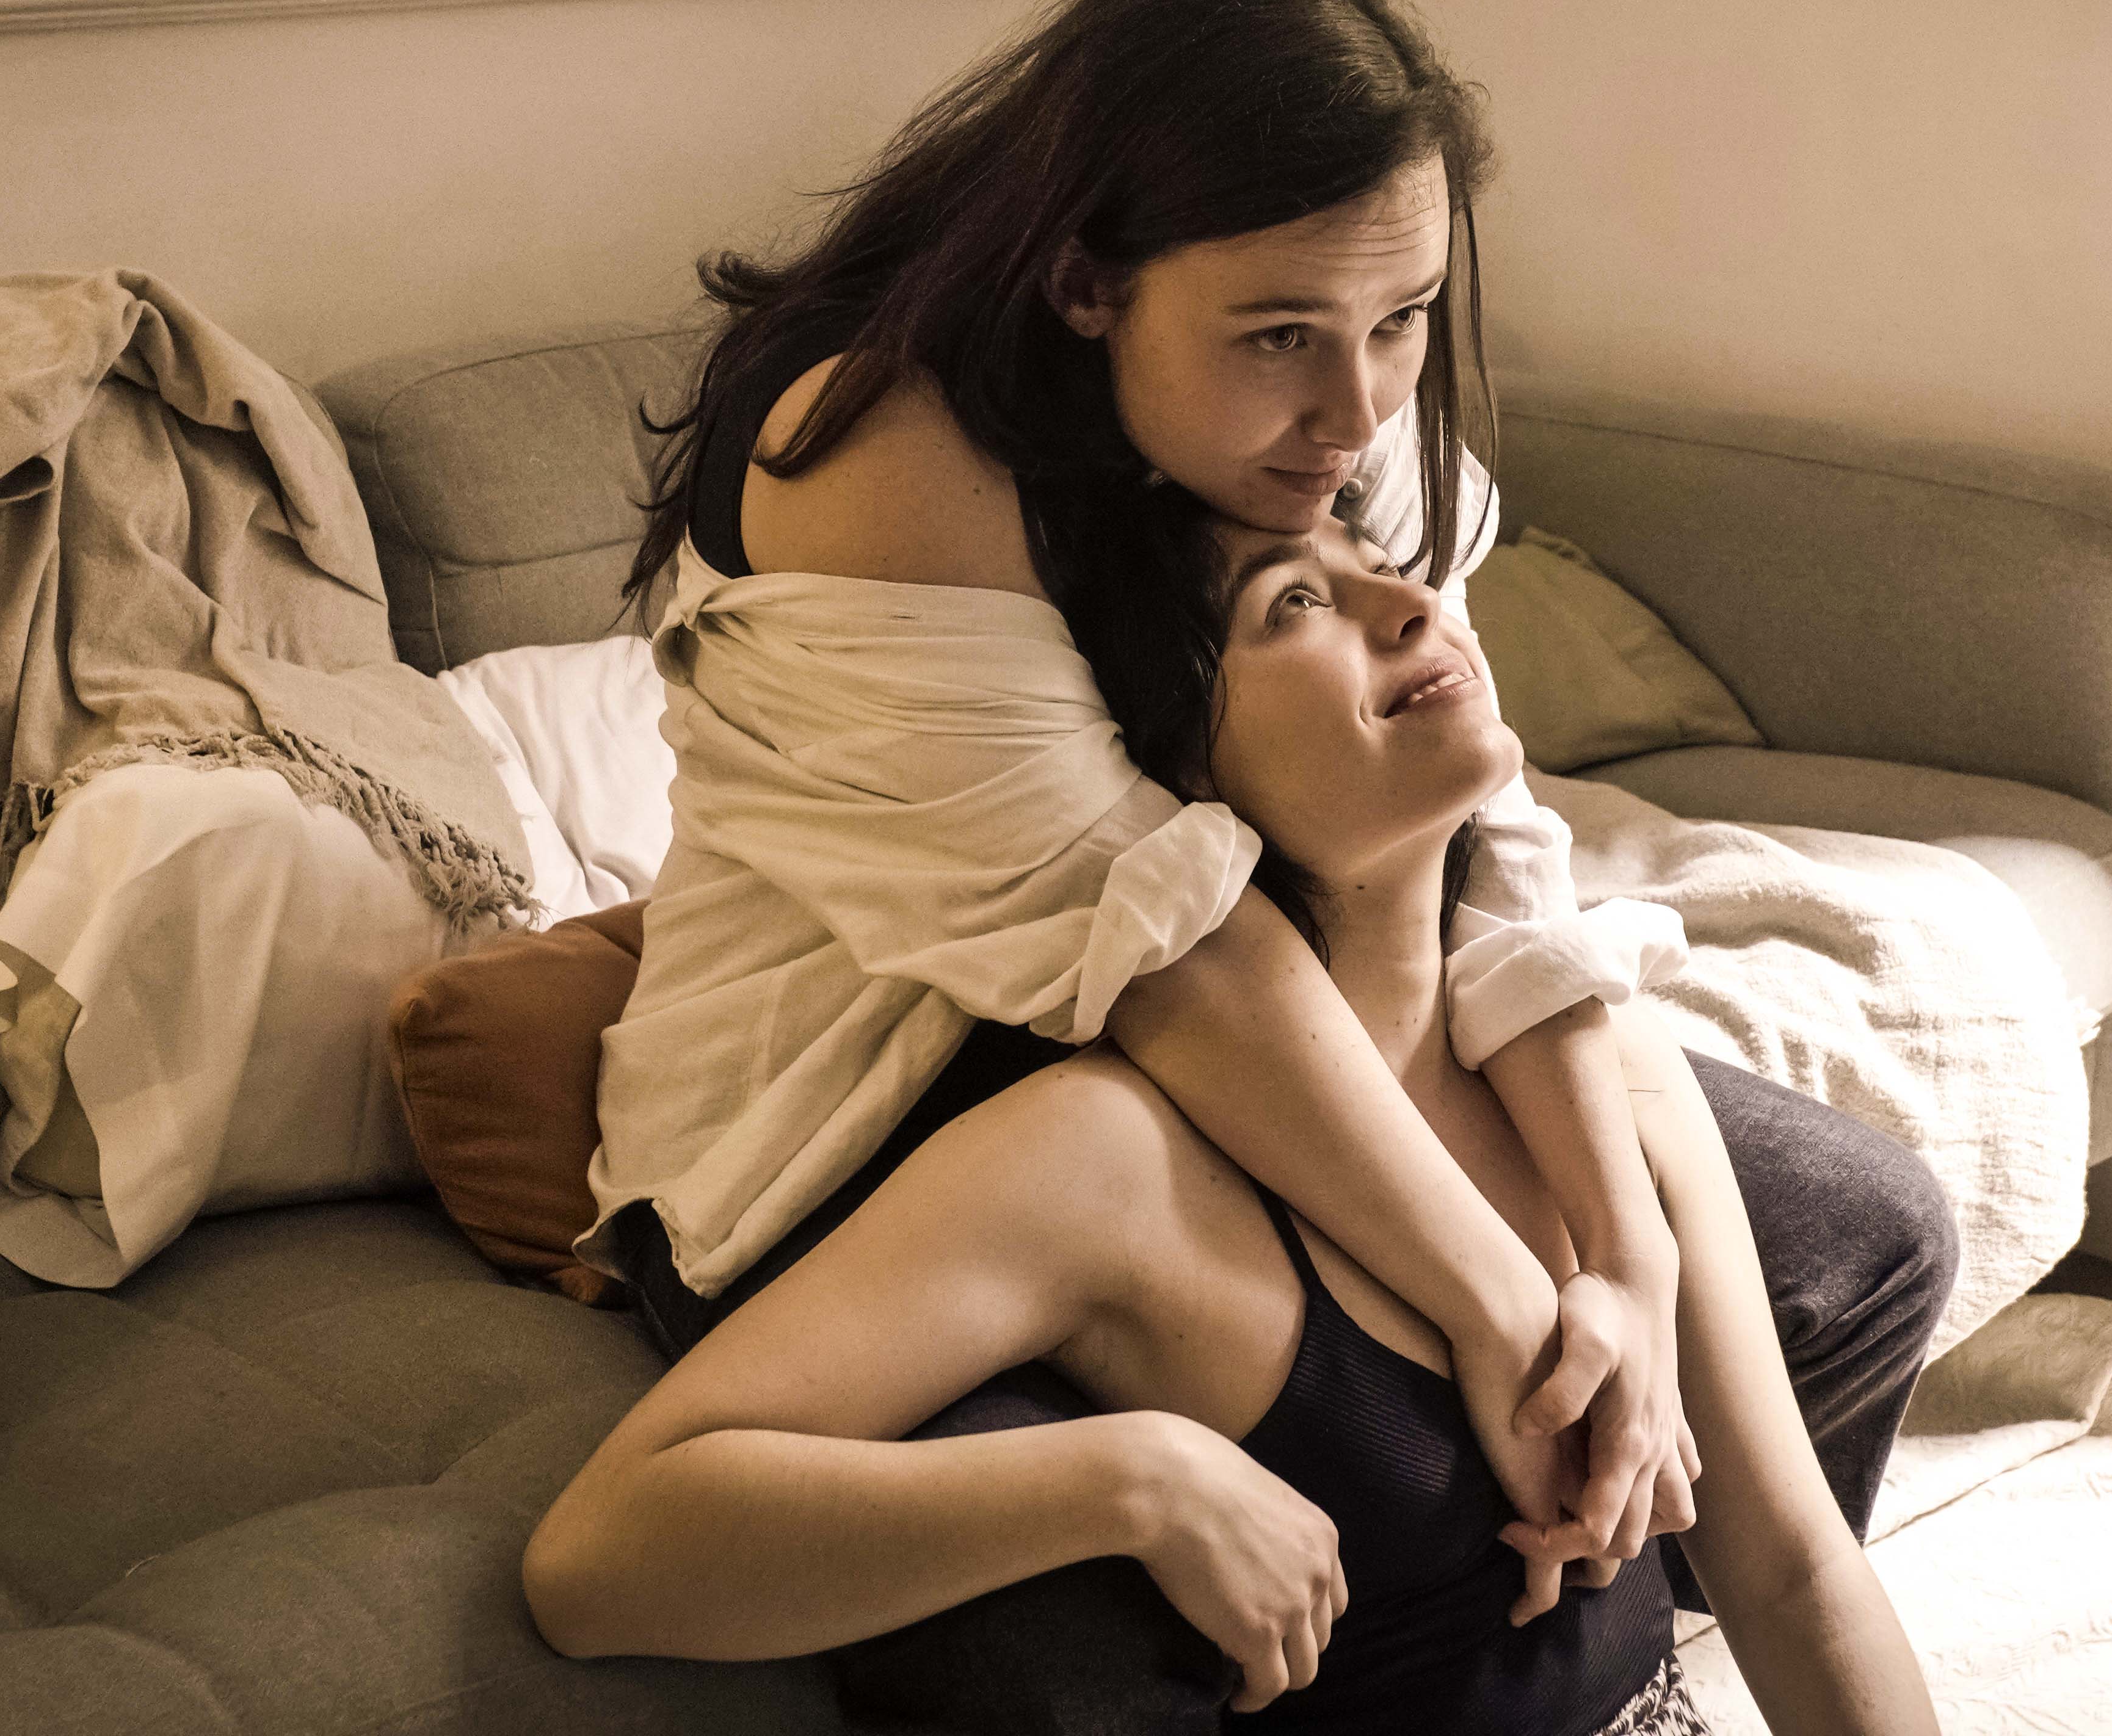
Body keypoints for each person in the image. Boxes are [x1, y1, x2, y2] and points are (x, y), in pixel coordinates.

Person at [578, 0, 1958, 1722]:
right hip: (884, 1112)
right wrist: (1511, 1318)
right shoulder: (887, 450)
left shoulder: (1318, 407)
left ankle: (1590, 1639)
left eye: (1404, 320)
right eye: (1286, 336)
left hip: (1224, 1010)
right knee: (1080, 1633)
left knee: (1851, 1232)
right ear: (1086, 285)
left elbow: (1485, 845)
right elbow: (1176, 952)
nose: (1362, 408)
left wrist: (1625, 1263)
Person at [528, 499, 1947, 1735]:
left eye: (1379, 556)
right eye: (1294, 603)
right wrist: (1129, 1478)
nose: (1408, 603)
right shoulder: (1103, 1157)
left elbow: (1790, 1574)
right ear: (1176, 770)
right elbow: (596, 1559)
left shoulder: (1607, 1071)